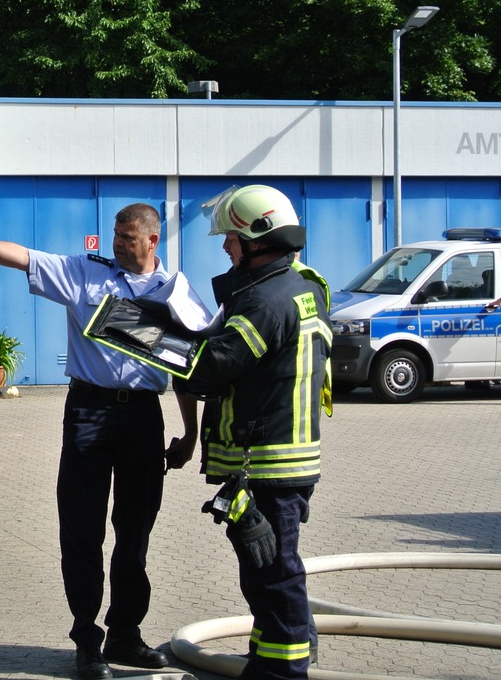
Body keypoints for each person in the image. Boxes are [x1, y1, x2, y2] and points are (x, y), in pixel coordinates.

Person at [0, 204, 197, 679]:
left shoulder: (176, 291)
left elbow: (188, 365)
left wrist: (190, 432)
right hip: (89, 410)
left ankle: (126, 634)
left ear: (152, 240)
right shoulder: (82, 273)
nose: (117, 242)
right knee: (82, 528)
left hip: (144, 416)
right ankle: (88, 640)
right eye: (115, 234)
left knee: (136, 530)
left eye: (127, 237)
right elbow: (19, 256)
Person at [179, 185, 332, 680]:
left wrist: (162, 349)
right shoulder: (303, 284)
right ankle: (271, 655)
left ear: (259, 239)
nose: (226, 248)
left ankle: (284, 670)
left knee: (273, 574)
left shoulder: (265, 301)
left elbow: (216, 367)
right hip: (286, 456)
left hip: (267, 461)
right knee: (266, 570)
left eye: (232, 239)